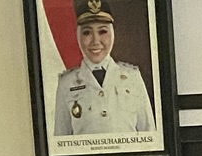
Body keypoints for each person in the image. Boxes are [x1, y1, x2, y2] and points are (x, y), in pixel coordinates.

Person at [53, 0, 157, 139]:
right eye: (87, 33)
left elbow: (149, 135)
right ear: (78, 36)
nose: (96, 41)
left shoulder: (132, 77)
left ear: (112, 34)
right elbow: (61, 140)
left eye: (102, 31)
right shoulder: (66, 83)